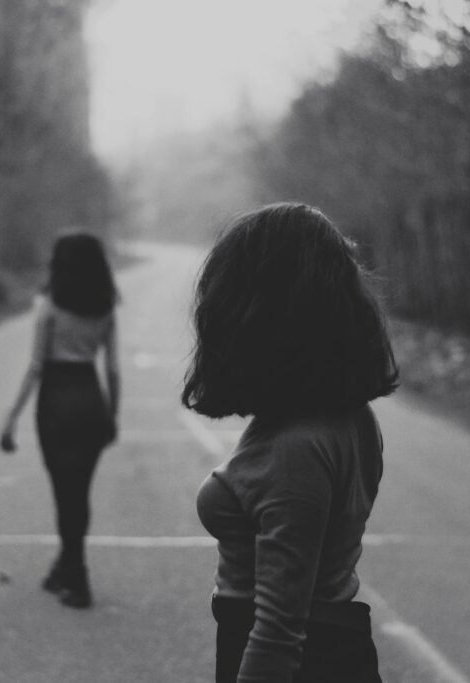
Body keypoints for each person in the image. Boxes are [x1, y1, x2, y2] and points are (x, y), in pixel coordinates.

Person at [186, 203, 399, 682]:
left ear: (255, 314)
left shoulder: (296, 448)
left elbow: (280, 629)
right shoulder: (345, 416)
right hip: (331, 653)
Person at [0, 230, 120, 609]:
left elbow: (35, 366)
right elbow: (113, 370)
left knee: (63, 493)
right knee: (79, 493)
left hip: (56, 401)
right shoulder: (105, 308)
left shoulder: (48, 306)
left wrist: (10, 417)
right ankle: (64, 568)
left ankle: (77, 577)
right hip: (91, 401)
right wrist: (112, 416)